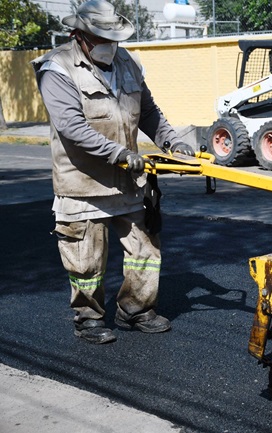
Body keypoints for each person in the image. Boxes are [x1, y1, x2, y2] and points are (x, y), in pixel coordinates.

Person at [31, 0, 195, 344]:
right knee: (86, 260)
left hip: (127, 181)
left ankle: (136, 309)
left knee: (145, 249)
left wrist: (173, 143)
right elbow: (72, 128)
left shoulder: (129, 63)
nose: (111, 45)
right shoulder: (57, 68)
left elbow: (149, 112)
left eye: (114, 38)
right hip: (83, 184)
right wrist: (119, 153)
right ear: (80, 35)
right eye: (102, 38)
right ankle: (88, 317)